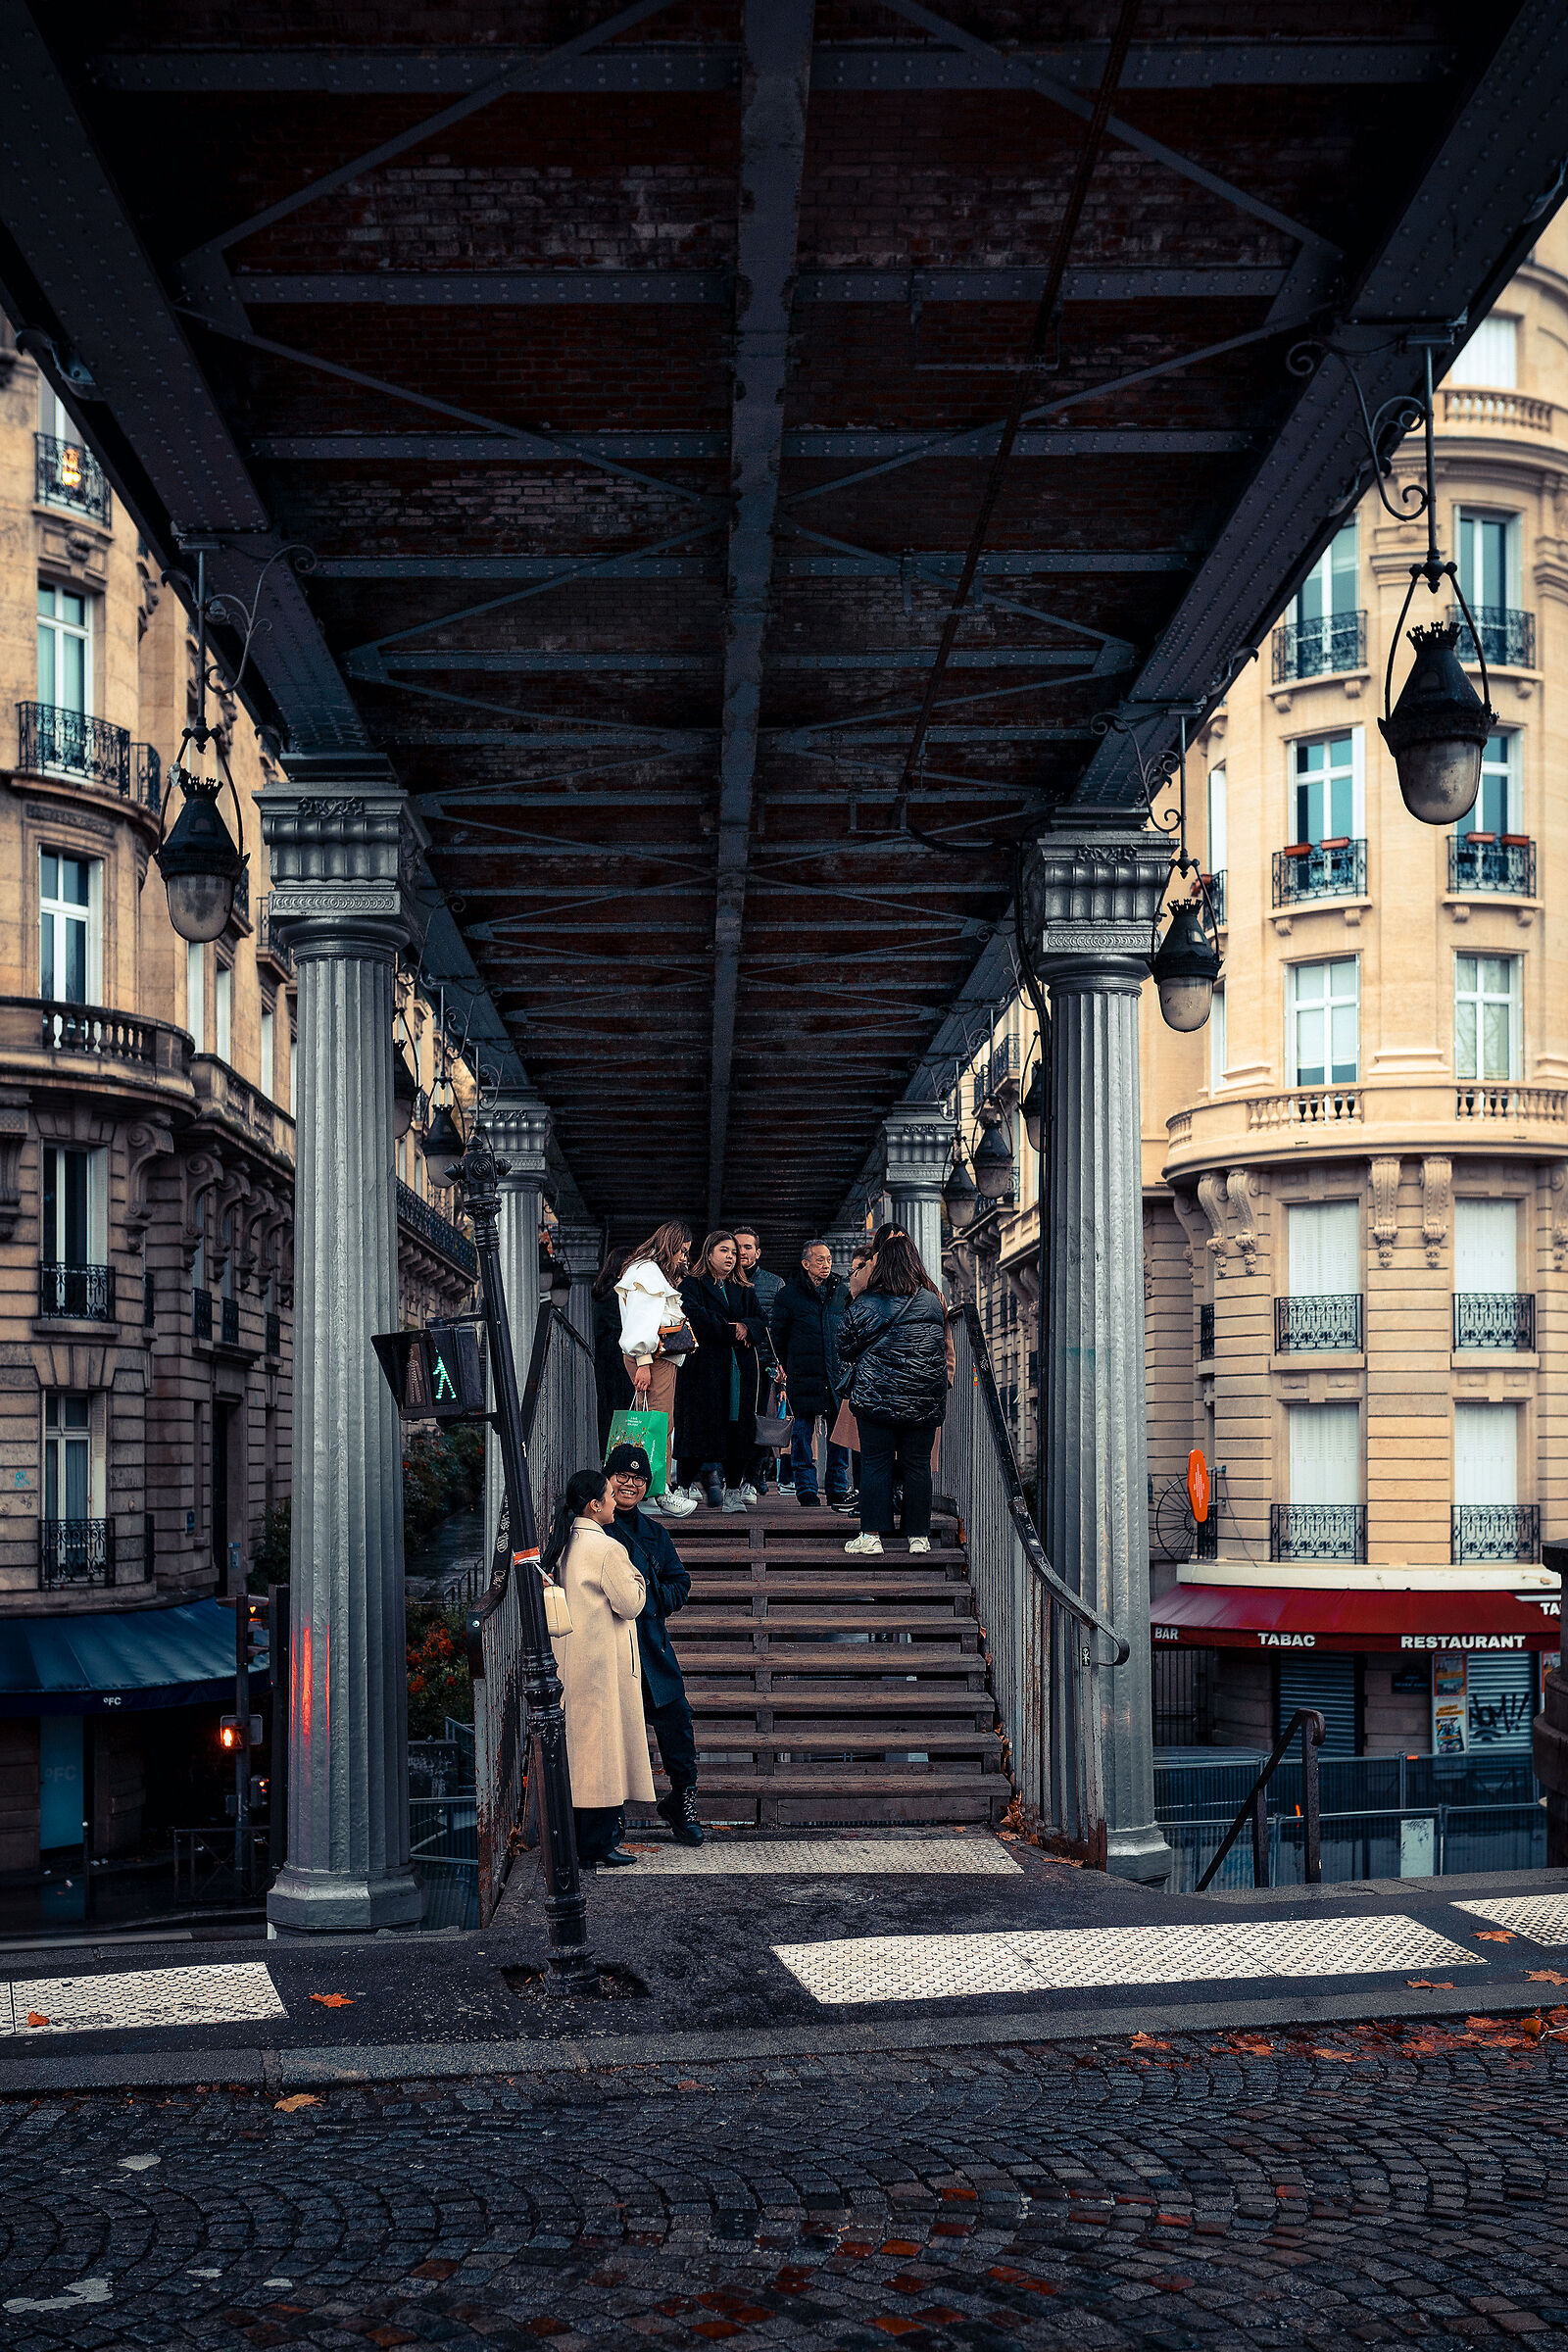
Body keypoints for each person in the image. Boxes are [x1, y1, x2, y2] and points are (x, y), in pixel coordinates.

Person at [541, 1466, 655, 1868]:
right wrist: (639, 1578)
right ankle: (599, 1844)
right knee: (605, 1754)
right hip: (604, 1662)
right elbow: (631, 1603)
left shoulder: (567, 1543)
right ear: (595, 1505)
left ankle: (580, 1843)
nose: (615, 1498)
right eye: (609, 1493)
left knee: (583, 1752)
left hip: (573, 1658)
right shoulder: (608, 1549)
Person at [603, 1442, 703, 1846]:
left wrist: (649, 1595)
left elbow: (681, 1584)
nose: (629, 1484)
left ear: (647, 1486)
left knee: (677, 1718)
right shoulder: (593, 1525)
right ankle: (608, 1816)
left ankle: (683, 1799)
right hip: (609, 1648)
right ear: (608, 1479)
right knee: (613, 1730)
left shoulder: (655, 1533)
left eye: (638, 1479)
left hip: (652, 1647)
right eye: (622, 1477)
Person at [834, 1224, 953, 1557]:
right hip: (922, 1399)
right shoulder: (932, 1301)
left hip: (877, 1397)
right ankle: (919, 1536)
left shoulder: (867, 1302)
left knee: (875, 1464)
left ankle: (871, 1536)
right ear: (915, 1263)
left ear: (879, 1264)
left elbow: (844, 1347)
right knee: (917, 1465)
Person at [673, 1229, 766, 1509]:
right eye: (724, 1251)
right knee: (700, 1425)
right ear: (709, 1253)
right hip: (704, 1370)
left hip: (740, 1369)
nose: (731, 1256)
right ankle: (684, 1484)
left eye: (734, 1252)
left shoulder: (744, 1288)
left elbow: (761, 1320)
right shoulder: (692, 1285)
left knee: (739, 1427)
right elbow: (695, 1317)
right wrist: (733, 1329)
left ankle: (734, 1489)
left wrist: (748, 1327)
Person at [615, 1221, 699, 1518]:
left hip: (655, 1357)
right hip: (653, 1358)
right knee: (657, 1426)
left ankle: (649, 1491)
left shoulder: (642, 1270)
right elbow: (642, 1323)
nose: (683, 1259)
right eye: (682, 1252)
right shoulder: (648, 1273)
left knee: (653, 1425)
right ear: (671, 1246)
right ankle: (658, 1492)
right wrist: (643, 1362)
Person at [768, 1239, 853, 1508]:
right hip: (803, 1372)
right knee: (802, 1431)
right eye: (820, 1260)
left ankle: (837, 1486)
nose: (826, 1265)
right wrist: (787, 1364)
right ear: (806, 1264)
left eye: (828, 1259)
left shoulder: (841, 1291)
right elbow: (778, 1336)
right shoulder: (789, 1295)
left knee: (838, 1433)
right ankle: (805, 1487)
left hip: (835, 1372)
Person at [734, 1226, 785, 1491]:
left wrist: (780, 1363)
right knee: (733, 1420)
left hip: (763, 1362)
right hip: (730, 1361)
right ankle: (732, 1476)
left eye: (747, 1247)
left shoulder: (774, 1283)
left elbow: (780, 1326)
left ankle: (754, 1476)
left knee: (759, 1421)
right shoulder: (723, 1281)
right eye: (737, 1246)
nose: (742, 1252)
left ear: (758, 1252)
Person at [591, 1246, 634, 1452]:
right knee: (622, 1411)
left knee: (611, 1411)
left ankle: (612, 1456)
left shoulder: (606, 1293)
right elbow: (624, 1328)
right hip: (618, 1362)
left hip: (609, 1361)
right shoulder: (616, 1295)